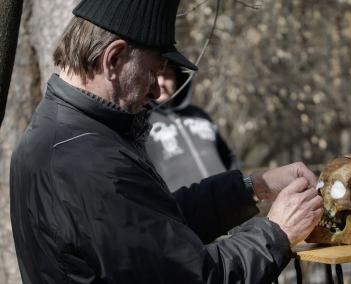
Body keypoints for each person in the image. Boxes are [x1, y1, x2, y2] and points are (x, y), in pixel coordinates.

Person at [9, 0, 323, 283]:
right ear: (114, 58)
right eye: (152, 71)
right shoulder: (85, 161)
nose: (157, 91)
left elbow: (155, 229)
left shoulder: (63, 130)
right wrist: (276, 232)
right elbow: (193, 276)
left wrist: (252, 187)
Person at [146, 65, 237, 191]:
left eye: (167, 75)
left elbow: (228, 158)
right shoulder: (142, 123)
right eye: (155, 76)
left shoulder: (199, 115)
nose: (161, 82)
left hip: (230, 200)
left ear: (178, 78)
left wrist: (240, 186)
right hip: (182, 207)